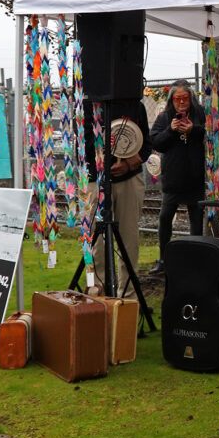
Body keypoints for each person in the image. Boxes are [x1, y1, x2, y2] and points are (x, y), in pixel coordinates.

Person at [83, 95, 152, 299]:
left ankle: (127, 302)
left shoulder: (135, 106)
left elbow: (147, 144)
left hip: (129, 180)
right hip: (96, 182)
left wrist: (130, 162)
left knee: (129, 242)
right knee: (97, 245)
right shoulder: (86, 106)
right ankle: (98, 300)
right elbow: (81, 144)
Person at [147, 80, 206, 275]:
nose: (181, 102)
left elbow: (208, 135)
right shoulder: (165, 117)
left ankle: (195, 259)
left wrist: (193, 130)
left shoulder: (200, 114)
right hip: (172, 179)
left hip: (195, 178)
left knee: (196, 220)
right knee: (165, 219)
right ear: (172, 100)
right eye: (177, 98)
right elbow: (156, 142)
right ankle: (164, 259)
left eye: (185, 98)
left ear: (191, 99)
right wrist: (171, 130)